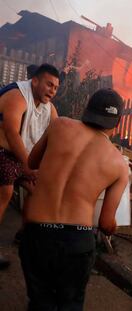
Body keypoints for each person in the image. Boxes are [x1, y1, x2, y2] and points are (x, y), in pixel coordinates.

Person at [19, 88, 128, 311]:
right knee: (69, 304)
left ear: (87, 108)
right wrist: (113, 228)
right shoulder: (119, 164)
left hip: (37, 233)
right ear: (118, 121)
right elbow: (106, 224)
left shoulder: (60, 125)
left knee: (40, 303)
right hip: (76, 242)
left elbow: (32, 162)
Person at [0, 64, 59, 269]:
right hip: (2, 152)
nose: (52, 90)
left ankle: (24, 237)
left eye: (55, 87)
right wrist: (27, 166)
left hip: (22, 157)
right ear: (35, 81)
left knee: (38, 191)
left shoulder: (49, 108)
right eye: (49, 84)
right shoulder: (17, 95)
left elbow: (57, 137)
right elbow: (11, 133)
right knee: (4, 193)